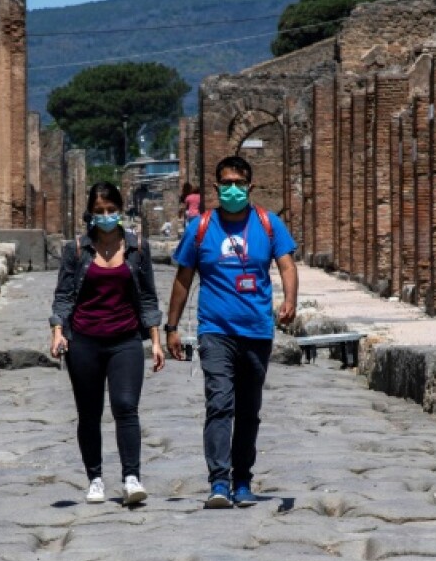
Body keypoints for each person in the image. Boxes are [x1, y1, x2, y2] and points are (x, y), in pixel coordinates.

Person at [165, 156, 298, 508]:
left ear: (250, 187)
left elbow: (287, 265)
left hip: (256, 330)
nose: (233, 189)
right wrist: (171, 327)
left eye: (240, 183)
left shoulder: (268, 224)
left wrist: (290, 300)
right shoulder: (201, 228)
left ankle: (242, 480)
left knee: (249, 409)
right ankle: (219, 482)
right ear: (216, 187)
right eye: (227, 184)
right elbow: (183, 279)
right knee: (220, 403)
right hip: (215, 330)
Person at [50, 181, 165, 505]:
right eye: (99, 211)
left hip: (125, 340)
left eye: (111, 210)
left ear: (120, 209)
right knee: (89, 413)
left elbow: (148, 297)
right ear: (90, 213)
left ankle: (131, 478)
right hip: (84, 341)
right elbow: (64, 296)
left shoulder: (137, 248)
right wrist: (58, 331)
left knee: (126, 406)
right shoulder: (76, 249)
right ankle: (95, 478)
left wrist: (155, 341)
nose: (106, 216)